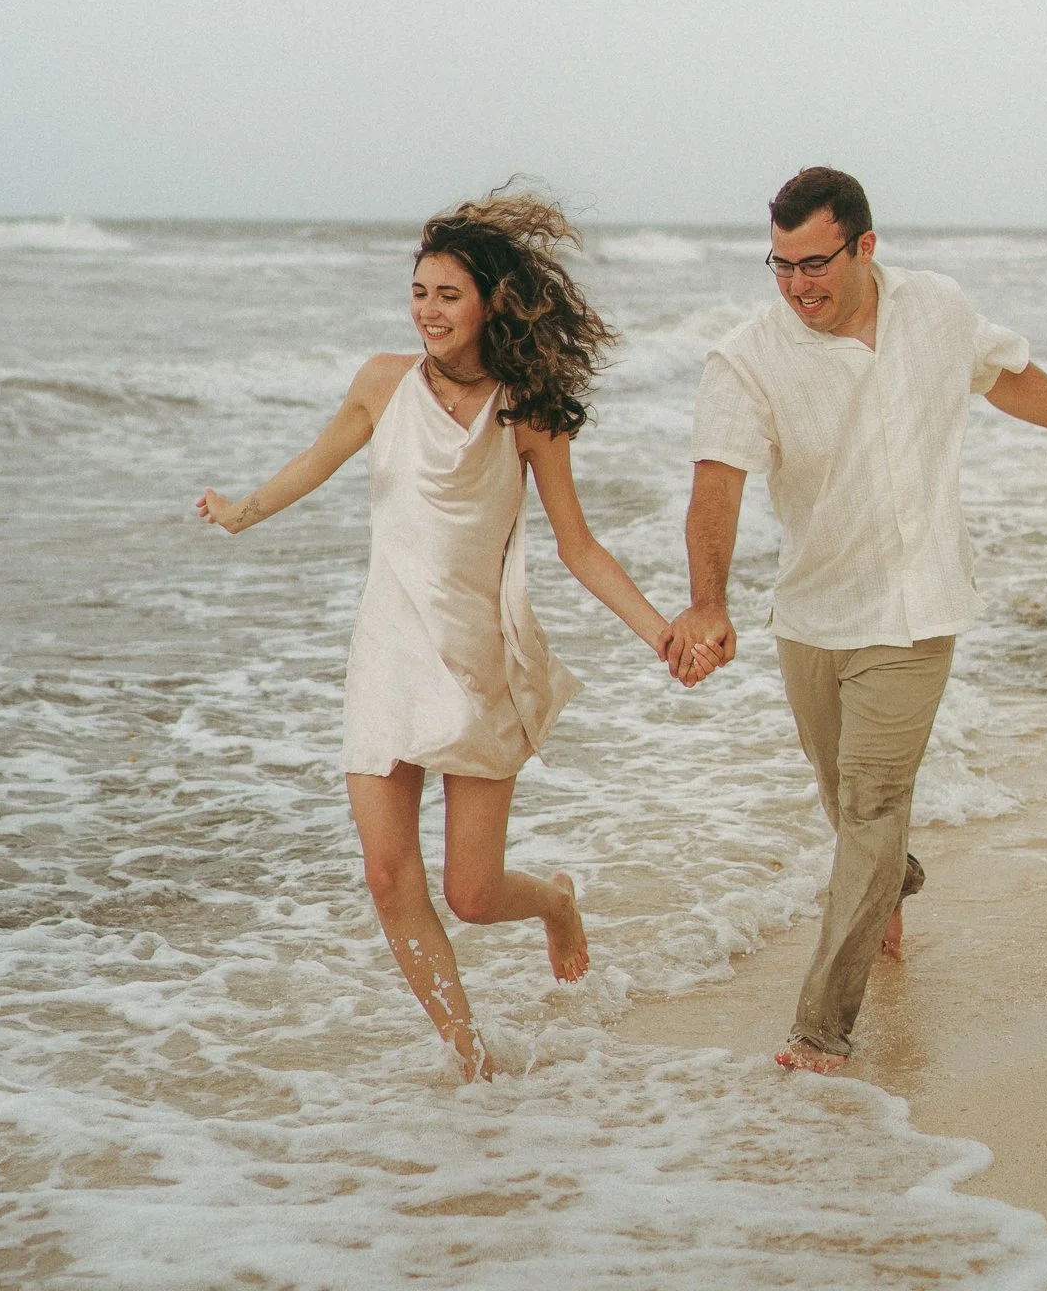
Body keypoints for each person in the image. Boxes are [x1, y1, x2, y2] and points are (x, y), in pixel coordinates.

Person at [199, 190, 715, 1082]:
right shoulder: (379, 384)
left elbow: (579, 545)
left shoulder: (528, 409)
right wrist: (242, 512)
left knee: (472, 895)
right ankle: (469, 1057)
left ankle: (554, 902)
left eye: (448, 294)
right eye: (420, 291)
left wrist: (661, 632)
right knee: (388, 876)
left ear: (489, 302)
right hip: (387, 654)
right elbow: (315, 464)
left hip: (477, 660)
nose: (429, 310)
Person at [664, 166, 1047, 1075]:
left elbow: (1007, 378)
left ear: (865, 247)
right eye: (780, 266)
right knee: (846, 803)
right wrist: (709, 601)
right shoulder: (748, 357)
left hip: (918, 604)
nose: (798, 285)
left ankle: (821, 1027)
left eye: (815, 263)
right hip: (814, 614)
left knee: (873, 799)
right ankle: (894, 874)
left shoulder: (936, 308)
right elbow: (716, 484)